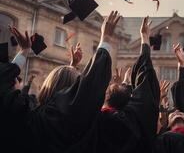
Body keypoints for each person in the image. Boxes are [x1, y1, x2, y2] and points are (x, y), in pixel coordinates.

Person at [0, 10, 119, 153]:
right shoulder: (84, 125)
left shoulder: (27, 116)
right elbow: (80, 94)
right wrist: (105, 39)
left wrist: (24, 51)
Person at [68, 16, 160, 153]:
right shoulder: (134, 121)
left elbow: (83, 91)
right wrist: (145, 40)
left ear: (104, 97)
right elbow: (145, 85)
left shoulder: (90, 119)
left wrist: (104, 39)